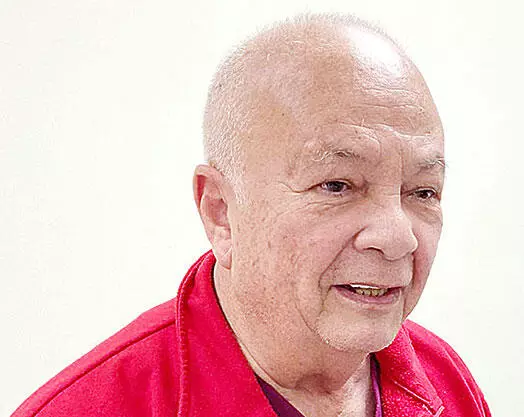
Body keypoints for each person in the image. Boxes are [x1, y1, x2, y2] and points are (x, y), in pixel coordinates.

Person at [12, 13, 491, 417]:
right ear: (220, 212)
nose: (398, 237)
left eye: (423, 191)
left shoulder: (445, 382)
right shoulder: (91, 406)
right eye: (337, 185)